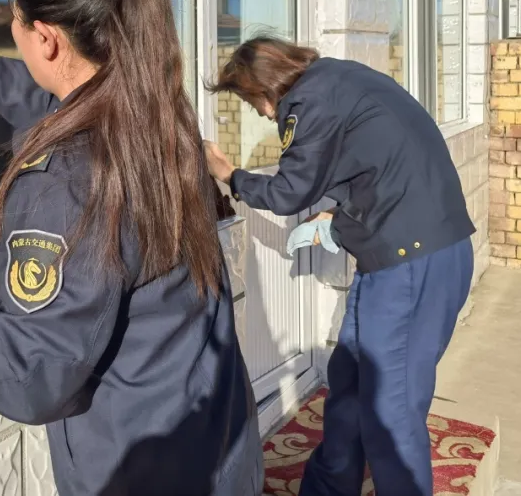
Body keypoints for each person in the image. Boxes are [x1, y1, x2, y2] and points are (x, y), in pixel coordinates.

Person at [0, 0, 262, 496]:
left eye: (14, 24)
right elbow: (54, 99)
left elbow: (24, 377)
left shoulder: (66, 183)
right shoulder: (162, 120)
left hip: (139, 469)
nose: (11, 37)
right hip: (215, 450)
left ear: (45, 39)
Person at [203, 37, 475, 496]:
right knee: (348, 382)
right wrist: (339, 213)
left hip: (410, 264)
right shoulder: (339, 78)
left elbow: (289, 192)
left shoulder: (307, 102)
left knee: (392, 412)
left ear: (265, 88)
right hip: (412, 255)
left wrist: (229, 175)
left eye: (256, 106)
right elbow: (378, 163)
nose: (266, 116)